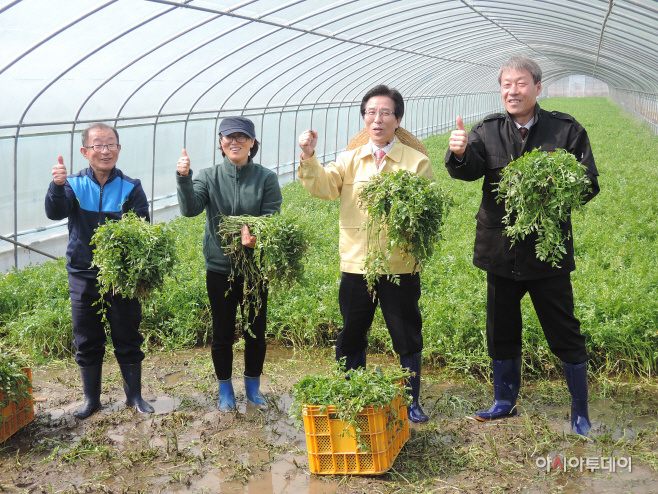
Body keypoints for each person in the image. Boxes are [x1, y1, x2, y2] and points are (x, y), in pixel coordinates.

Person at [445, 56, 600, 436]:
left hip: (547, 252)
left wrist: (554, 190)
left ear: (537, 88)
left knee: (564, 330)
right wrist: (460, 152)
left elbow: (588, 183)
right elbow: (468, 171)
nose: (512, 91)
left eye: (520, 83)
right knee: (501, 330)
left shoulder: (566, 130)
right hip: (500, 251)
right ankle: (504, 401)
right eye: (506, 85)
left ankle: (580, 412)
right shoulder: (487, 131)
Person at [298, 85, 434, 423]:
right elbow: (323, 188)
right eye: (371, 113)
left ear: (398, 119)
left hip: (400, 265)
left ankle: (411, 402)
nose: (378, 119)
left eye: (385, 112)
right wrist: (309, 156)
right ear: (364, 118)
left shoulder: (416, 162)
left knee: (407, 335)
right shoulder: (348, 160)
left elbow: (424, 211)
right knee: (353, 332)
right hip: (357, 263)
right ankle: (353, 394)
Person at [45, 123, 153, 419]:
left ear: (118, 148)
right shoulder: (74, 184)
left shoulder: (131, 187)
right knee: (87, 337)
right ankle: (91, 401)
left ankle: (135, 398)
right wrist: (56, 186)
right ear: (85, 152)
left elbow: (142, 228)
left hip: (121, 277)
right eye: (98, 145)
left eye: (110, 144)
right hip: (83, 273)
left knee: (127, 334)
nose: (105, 151)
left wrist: (123, 252)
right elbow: (54, 212)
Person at [176, 116, 282, 411]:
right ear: (221, 143)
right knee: (222, 332)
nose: (234, 142)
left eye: (241, 137)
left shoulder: (266, 178)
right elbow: (190, 209)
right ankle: (225, 390)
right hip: (220, 269)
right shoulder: (208, 177)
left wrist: (256, 237)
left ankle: (253, 387)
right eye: (228, 137)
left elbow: (271, 217)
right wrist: (184, 178)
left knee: (255, 331)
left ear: (252, 142)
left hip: (254, 269)